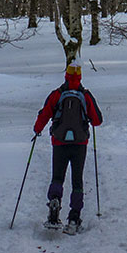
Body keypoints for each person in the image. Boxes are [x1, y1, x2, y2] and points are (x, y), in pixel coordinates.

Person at [33, 59, 102, 232]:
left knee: (57, 177)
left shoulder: (57, 94)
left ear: (66, 75)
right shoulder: (85, 95)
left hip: (59, 142)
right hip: (79, 144)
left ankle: (54, 205)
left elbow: (45, 114)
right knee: (77, 180)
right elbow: (97, 120)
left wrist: (37, 130)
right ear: (80, 76)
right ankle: (74, 218)